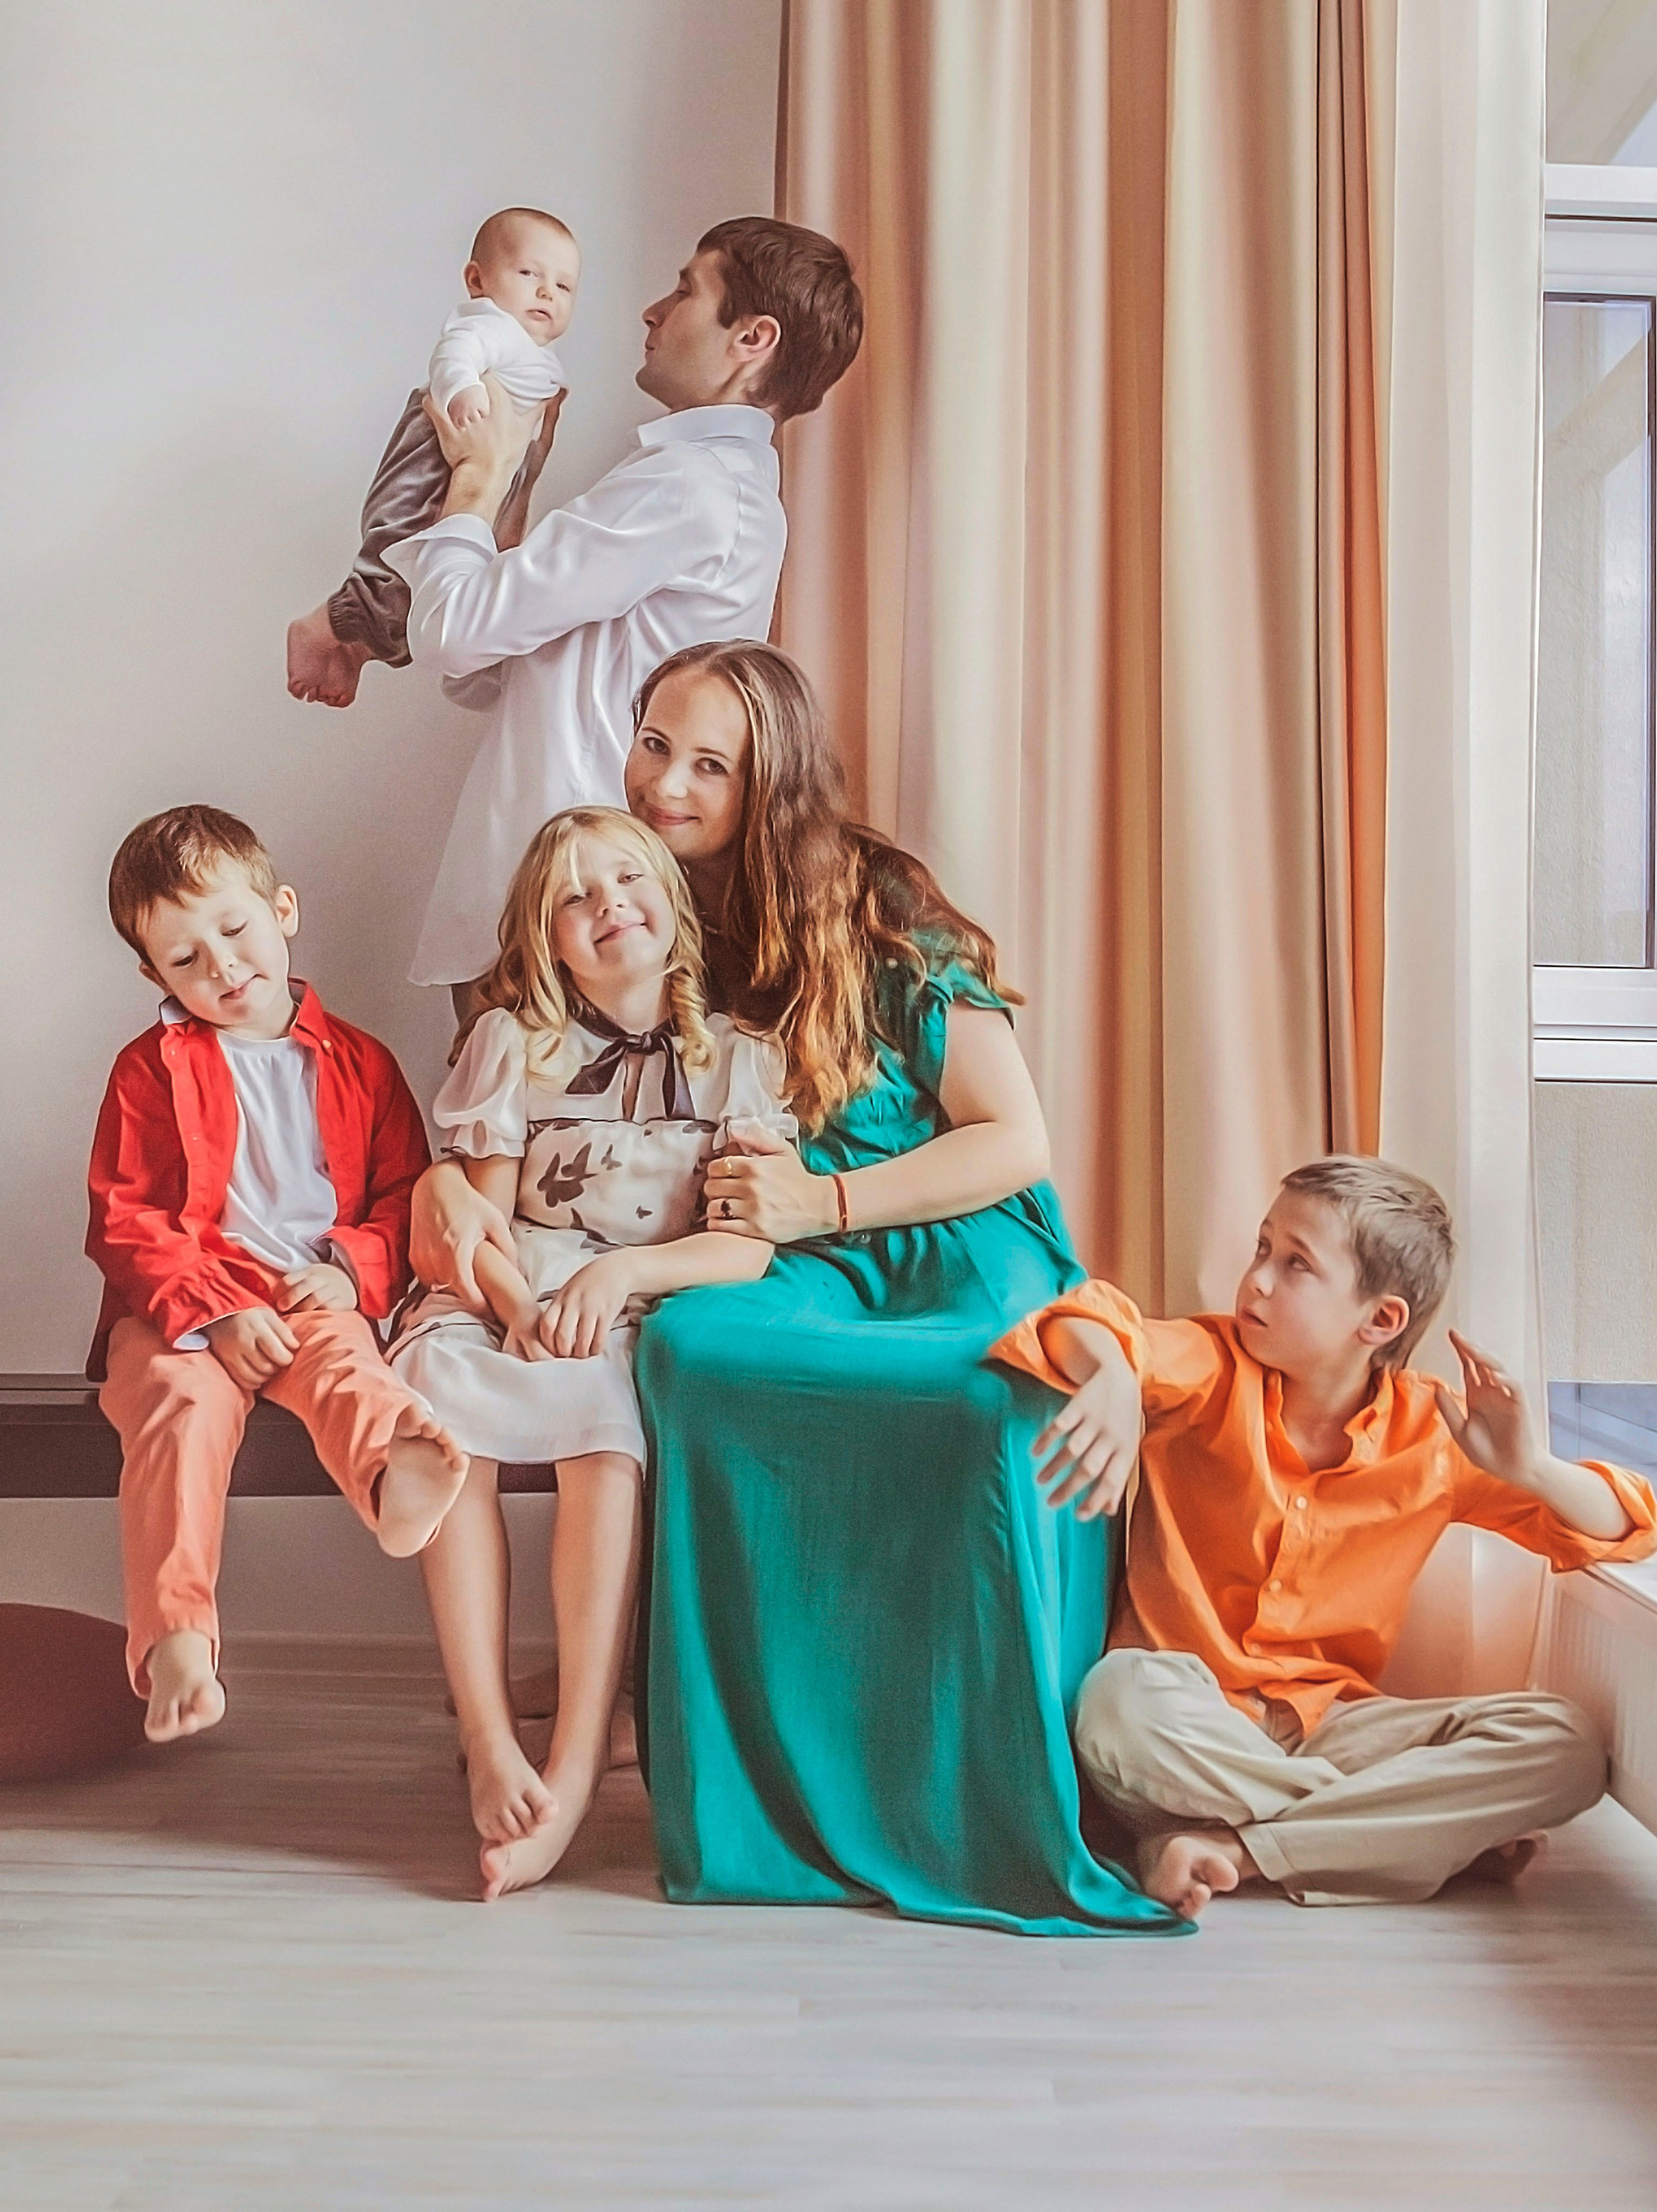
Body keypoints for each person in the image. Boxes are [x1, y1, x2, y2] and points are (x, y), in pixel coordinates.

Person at [411, 641, 1180, 1936]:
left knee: (982, 1404)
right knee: (693, 1355)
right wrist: (447, 1193)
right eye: (655, 742)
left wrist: (824, 1201)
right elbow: (524, 1094)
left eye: (709, 765)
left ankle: (949, 1775)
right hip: (772, 1254)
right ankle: (715, 1757)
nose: (665, 782)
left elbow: (1013, 1139)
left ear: (769, 781)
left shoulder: (876, 902)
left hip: (940, 1231)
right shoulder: (627, 895)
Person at [994, 1155, 1657, 1916]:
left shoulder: (1436, 1435)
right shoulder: (1212, 1366)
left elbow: (1628, 1525)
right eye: (1262, 1247)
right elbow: (1077, 1321)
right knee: (1116, 1699)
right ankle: (1404, 1833)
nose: (1258, 1279)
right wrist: (1113, 1375)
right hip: (1186, 1712)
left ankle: (1232, 1847)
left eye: (1296, 1264)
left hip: (1332, 1724)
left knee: (1564, 1745)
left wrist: (1531, 1467)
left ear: (1379, 1321)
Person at [289, 218, 863, 1003]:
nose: (653, 311)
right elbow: (491, 668)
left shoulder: (690, 487)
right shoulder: (705, 487)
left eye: (686, 290)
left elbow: (456, 635)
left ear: (752, 338)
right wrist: (507, 492)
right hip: (568, 897)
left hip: (568, 905)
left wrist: (479, 478)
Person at [390, 806, 797, 1899]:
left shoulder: (741, 1059)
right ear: (549, 942)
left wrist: (620, 1278)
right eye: (576, 896)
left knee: (606, 1442)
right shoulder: (511, 1043)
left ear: (673, 901)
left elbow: (748, 1246)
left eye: (626, 879)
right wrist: (518, 1306)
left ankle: (573, 1763)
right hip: (508, 1293)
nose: (607, 903)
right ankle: (487, 1735)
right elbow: (480, 1220)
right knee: (442, 1425)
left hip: (623, 1306)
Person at [86, 806, 468, 1745]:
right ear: (154, 976)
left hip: (310, 1289)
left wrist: (352, 1270)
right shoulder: (147, 1070)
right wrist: (212, 1311)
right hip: (182, 1308)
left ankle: (394, 1476)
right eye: (185, 958)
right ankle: (178, 1640)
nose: (221, 966)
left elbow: (404, 1194)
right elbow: (125, 1217)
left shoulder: (363, 1062)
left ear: (282, 909)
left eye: (234, 928)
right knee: (177, 1407)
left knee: (347, 1368)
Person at [286, 207, 579, 708]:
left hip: (487, 466)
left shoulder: (538, 356)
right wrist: (463, 388)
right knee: (403, 550)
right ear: (477, 280)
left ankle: (358, 649)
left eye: (564, 285)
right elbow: (454, 353)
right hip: (435, 453)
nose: (547, 292)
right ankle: (324, 625)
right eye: (530, 273)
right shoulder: (490, 325)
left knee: (436, 590)